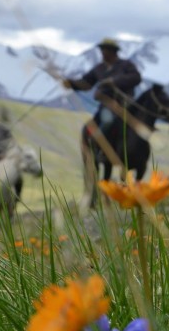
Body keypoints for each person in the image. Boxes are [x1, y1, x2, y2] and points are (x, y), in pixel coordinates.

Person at [61, 38, 142, 206]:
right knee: (94, 125)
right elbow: (86, 83)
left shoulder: (125, 66)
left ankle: (133, 152)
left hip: (125, 106)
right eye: (102, 50)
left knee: (122, 122)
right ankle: (97, 149)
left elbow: (136, 78)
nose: (102, 53)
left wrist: (114, 81)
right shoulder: (99, 69)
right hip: (105, 106)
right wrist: (71, 84)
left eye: (105, 50)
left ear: (113, 51)